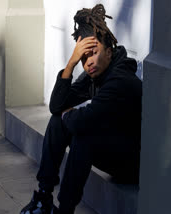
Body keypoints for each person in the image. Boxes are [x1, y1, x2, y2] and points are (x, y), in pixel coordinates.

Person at [20, 4, 142, 214]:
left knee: (83, 136)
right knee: (58, 120)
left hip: (132, 165)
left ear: (110, 52)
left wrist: (72, 116)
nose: (89, 63)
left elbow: (83, 121)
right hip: (112, 150)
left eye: (93, 53)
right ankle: (44, 197)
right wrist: (71, 64)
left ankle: (65, 210)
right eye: (84, 58)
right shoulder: (94, 73)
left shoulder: (121, 80)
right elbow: (56, 106)